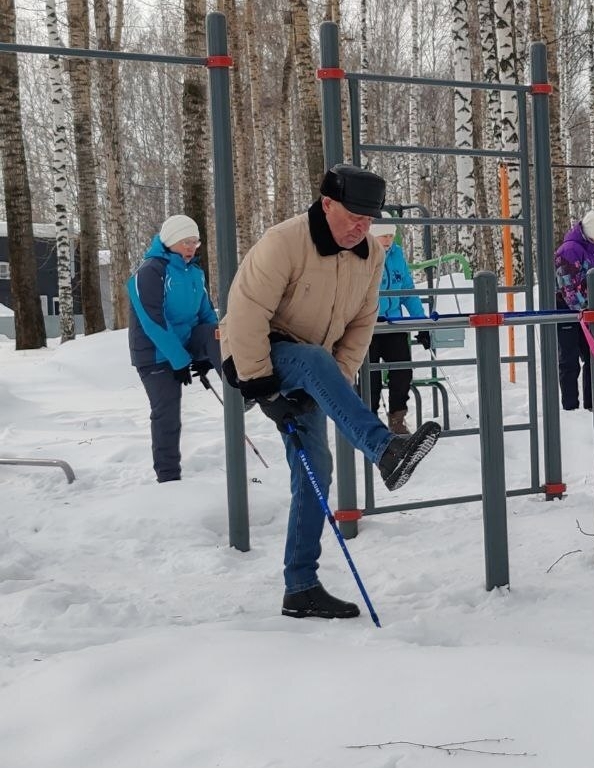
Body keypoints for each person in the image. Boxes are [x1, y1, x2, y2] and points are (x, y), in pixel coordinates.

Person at [220, 164, 442, 620]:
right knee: (314, 361)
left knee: (316, 470)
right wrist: (262, 388)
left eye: (368, 222)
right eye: (352, 218)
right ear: (326, 205)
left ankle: (300, 586)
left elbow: (361, 324)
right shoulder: (284, 242)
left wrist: (331, 386)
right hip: (259, 354)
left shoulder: (370, 255)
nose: (360, 229)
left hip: (312, 366)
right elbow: (245, 312)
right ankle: (386, 450)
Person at [127, 214, 221, 483]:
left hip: (184, 342)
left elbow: (207, 315)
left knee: (216, 332)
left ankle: (240, 384)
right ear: (170, 241)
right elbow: (153, 322)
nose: (192, 247)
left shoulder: (194, 273)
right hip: (154, 354)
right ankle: (168, 477)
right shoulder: (149, 272)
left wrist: (206, 353)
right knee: (167, 412)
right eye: (186, 242)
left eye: (195, 242)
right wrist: (180, 361)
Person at [368, 214, 429, 435]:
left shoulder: (396, 255)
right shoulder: (360, 254)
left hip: (393, 323)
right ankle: (369, 421)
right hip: (367, 326)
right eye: (383, 235)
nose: (388, 240)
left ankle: (397, 418)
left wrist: (421, 323)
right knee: (369, 376)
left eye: (391, 235)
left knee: (402, 371)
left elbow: (408, 291)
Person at [554, 208, 594, 411]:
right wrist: (583, 309)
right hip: (568, 311)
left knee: (593, 358)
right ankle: (570, 406)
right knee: (569, 359)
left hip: (589, 312)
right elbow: (568, 285)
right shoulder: (569, 250)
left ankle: (592, 404)